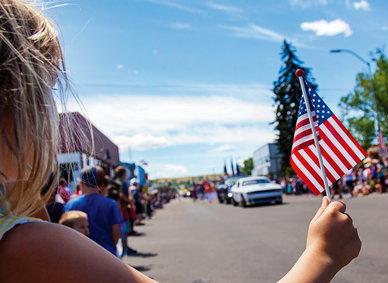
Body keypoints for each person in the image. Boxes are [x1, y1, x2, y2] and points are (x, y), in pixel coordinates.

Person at [0, 1, 360, 282]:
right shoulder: (28, 246)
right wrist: (322, 256)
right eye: (46, 88)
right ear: (12, 99)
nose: (51, 109)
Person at [64, 166, 122, 256]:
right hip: (107, 253)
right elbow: (116, 231)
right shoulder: (110, 204)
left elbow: (67, 232)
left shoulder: (71, 205)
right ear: (101, 183)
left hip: (80, 254)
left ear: (82, 183)